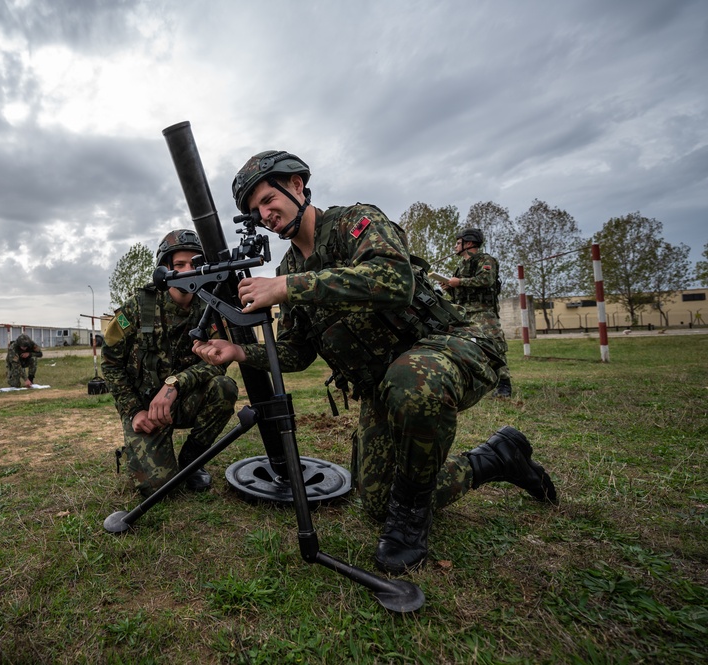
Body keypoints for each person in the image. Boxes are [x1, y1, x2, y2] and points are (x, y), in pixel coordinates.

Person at [192, 151, 557, 574]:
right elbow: (296, 351)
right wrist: (238, 352)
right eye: (256, 212)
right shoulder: (288, 267)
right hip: (385, 381)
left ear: (296, 185)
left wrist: (291, 287)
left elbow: (394, 281)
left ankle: (410, 524)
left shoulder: (354, 223)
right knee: (378, 502)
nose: (266, 215)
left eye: (268, 200)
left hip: (449, 344)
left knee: (411, 381)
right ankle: (497, 458)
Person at [101, 229, 239, 497]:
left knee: (224, 387)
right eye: (179, 265)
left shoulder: (209, 307)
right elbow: (110, 362)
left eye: (195, 264)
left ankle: (191, 462)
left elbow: (218, 362)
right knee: (157, 490)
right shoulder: (138, 307)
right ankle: (144, 451)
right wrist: (133, 411)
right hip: (145, 408)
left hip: (181, 399)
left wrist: (175, 384)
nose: (188, 270)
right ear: (164, 270)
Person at [445, 228, 512, 397]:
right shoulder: (461, 266)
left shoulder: (485, 260)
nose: (455, 246)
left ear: (468, 244)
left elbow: (486, 279)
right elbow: (462, 292)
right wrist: (450, 288)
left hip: (483, 313)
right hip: (463, 313)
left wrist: (459, 282)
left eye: (458, 243)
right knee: (464, 347)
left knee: (495, 347)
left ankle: (504, 384)